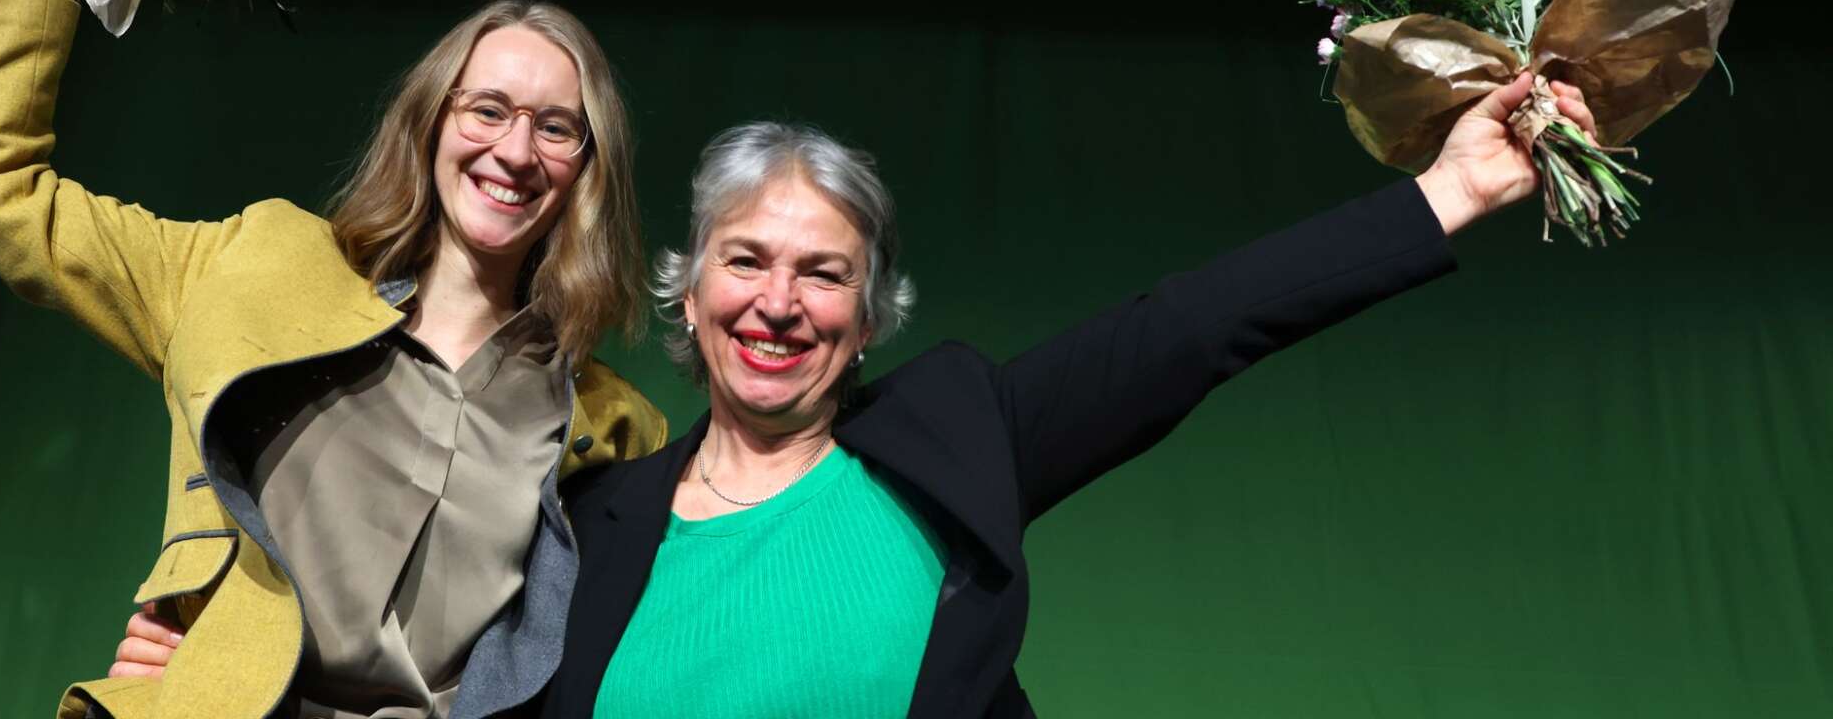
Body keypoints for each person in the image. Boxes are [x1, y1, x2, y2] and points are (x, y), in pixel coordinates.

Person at [118, 80, 1602, 717]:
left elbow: (1191, 329)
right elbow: (410, 666)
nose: (781, 302)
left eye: (823, 273)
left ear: (869, 309)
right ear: (688, 295)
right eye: (748, 262)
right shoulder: (588, 519)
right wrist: (219, 660)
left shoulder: (954, 441)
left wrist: (1448, 191)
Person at [0, 0, 667, 719]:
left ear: (586, 169)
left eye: (556, 128)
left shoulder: (612, 427)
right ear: (431, 122)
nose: (515, 151)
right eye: (487, 110)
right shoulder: (257, 264)